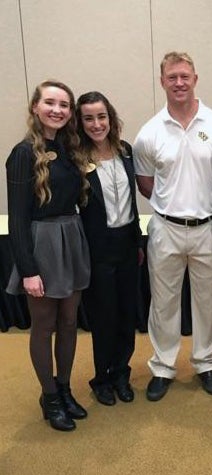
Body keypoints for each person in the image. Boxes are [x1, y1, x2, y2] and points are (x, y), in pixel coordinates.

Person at [133, 52, 212, 401]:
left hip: (209, 227)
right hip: (166, 228)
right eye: (172, 77)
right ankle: (163, 366)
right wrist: (172, 206)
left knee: (208, 301)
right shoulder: (148, 133)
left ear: (195, 78)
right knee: (163, 303)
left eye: (185, 76)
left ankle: (206, 362)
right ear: (162, 81)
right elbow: (146, 184)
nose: (179, 83)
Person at [5, 80, 90, 431]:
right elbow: (18, 217)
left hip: (71, 237)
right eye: (50, 103)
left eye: (64, 105)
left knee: (69, 322)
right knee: (44, 325)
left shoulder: (71, 148)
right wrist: (28, 269)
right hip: (41, 244)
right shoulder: (23, 153)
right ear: (35, 107)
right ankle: (49, 396)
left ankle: (65, 389)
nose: (58, 110)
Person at [76, 91, 144, 406]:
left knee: (126, 315)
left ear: (110, 118)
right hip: (97, 249)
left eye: (101, 116)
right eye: (88, 118)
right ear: (80, 122)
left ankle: (121, 373)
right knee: (104, 317)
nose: (96, 124)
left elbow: (131, 200)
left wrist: (137, 241)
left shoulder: (125, 152)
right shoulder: (75, 158)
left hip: (128, 246)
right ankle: (101, 378)